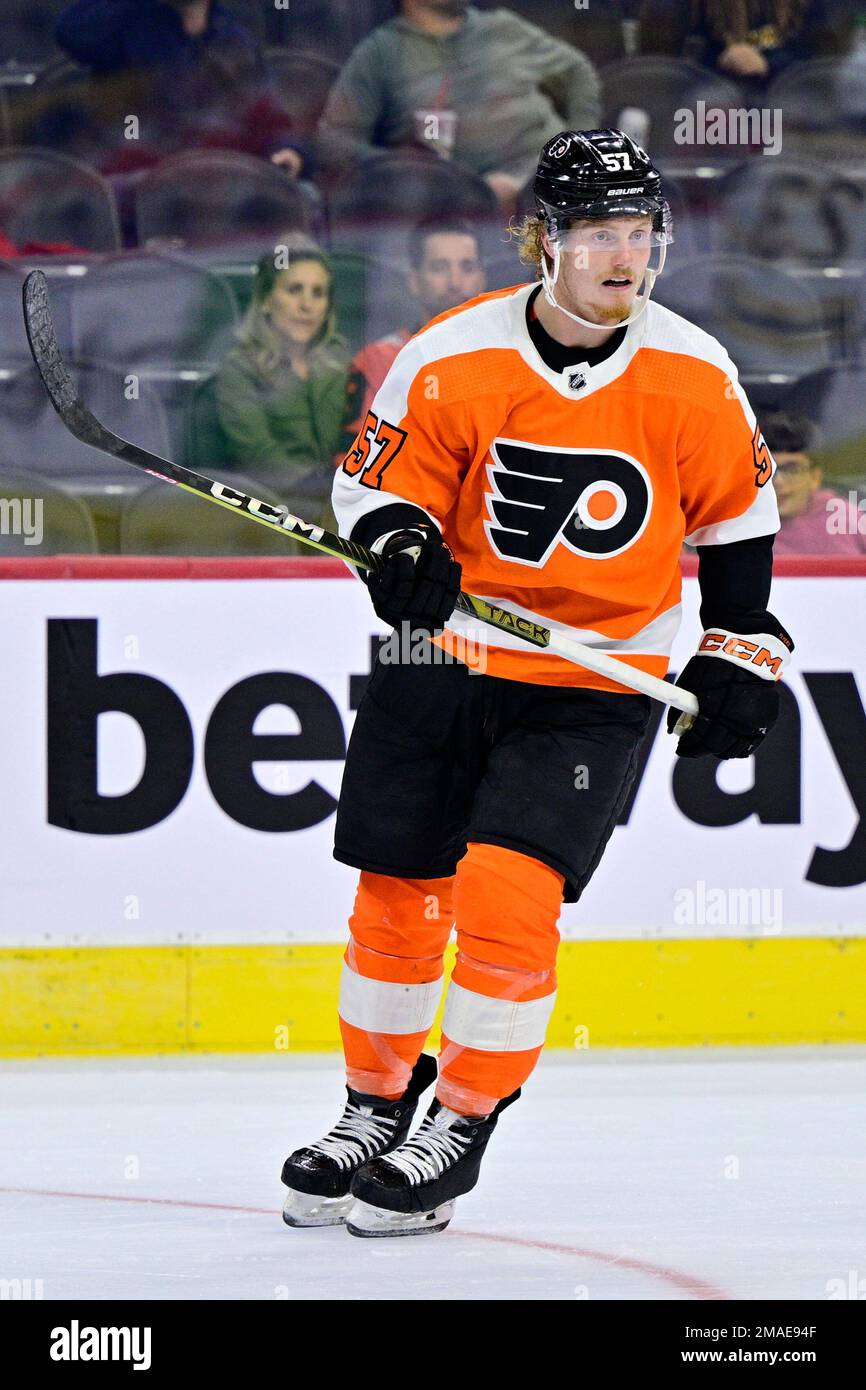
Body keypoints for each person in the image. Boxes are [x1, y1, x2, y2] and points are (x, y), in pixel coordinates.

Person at [280, 128, 794, 1238]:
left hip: (591, 679)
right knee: (395, 901)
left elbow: (737, 540)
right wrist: (405, 551)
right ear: (540, 241)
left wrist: (738, 647)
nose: (625, 257)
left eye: (639, 235)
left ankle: (459, 1121)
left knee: (509, 898)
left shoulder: (692, 373)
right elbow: (376, 492)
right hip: (445, 660)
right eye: (599, 235)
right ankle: (374, 1106)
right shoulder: (449, 355)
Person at [317, 0, 601, 213]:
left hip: (560, 174)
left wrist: (577, 146)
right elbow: (335, 140)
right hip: (459, 206)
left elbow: (578, 72)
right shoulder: (381, 53)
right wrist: (407, 172)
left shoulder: (503, 28)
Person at [54, 0, 312, 175]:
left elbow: (267, 121)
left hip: (221, 195)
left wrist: (287, 150)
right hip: (141, 189)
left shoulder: (235, 39)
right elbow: (71, 32)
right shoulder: (120, 25)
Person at [214, 237, 349, 529]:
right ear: (265, 299)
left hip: (339, 506)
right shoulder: (239, 368)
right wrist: (329, 489)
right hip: (271, 514)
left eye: (318, 293)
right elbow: (259, 456)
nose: (307, 305)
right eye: (294, 290)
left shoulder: (340, 363)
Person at [341, 215, 487, 449]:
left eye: (467, 267)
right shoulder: (381, 358)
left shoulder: (514, 354)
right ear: (414, 280)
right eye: (439, 268)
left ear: (482, 279)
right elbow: (359, 462)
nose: (455, 283)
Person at [763, 411, 866, 554]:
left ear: (815, 477)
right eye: (767, 469)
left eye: (792, 470)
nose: (778, 481)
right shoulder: (738, 526)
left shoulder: (845, 520)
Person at [684, 0, 835, 85]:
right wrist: (724, 58)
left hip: (785, 89)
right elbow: (690, 52)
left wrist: (767, 65)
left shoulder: (806, 4)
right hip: (721, 87)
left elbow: (814, 52)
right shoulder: (703, 5)